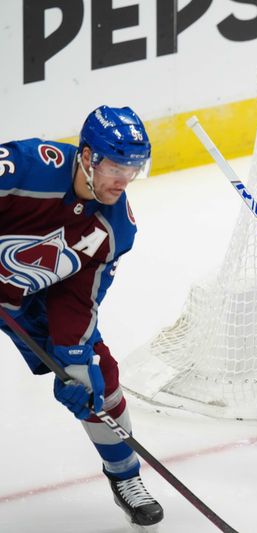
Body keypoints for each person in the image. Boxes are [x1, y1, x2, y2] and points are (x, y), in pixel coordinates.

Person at [0, 105, 163, 526]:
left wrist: (73, 363)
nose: (124, 180)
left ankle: (125, 477)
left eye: (134, 168)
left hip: (30, 297)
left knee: (97, 373)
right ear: (88, 156)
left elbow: (78, 301)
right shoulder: (27, 166)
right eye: (116, 166)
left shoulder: (116, 228)